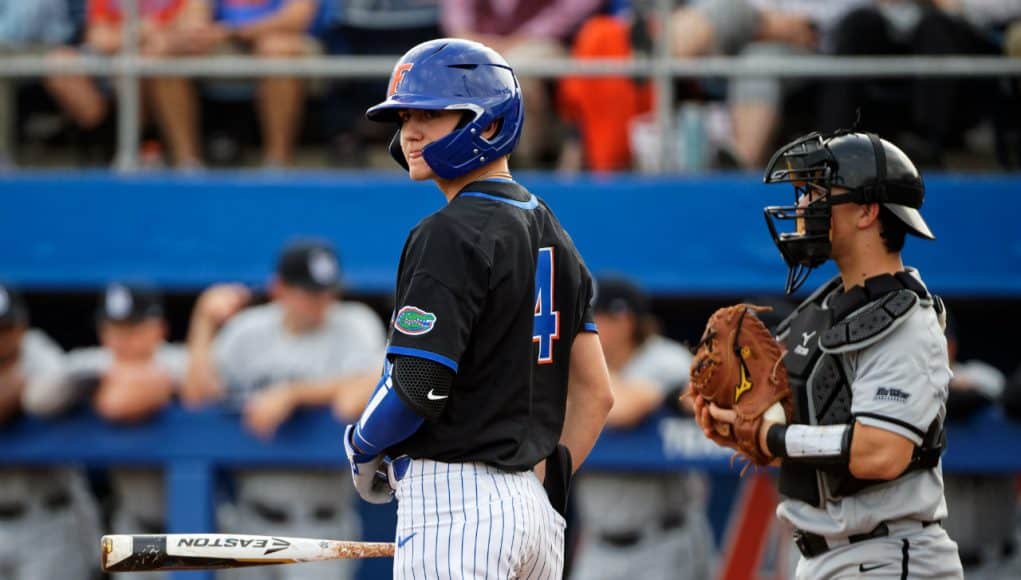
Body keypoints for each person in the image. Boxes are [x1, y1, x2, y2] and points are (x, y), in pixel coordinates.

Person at [343, 38, 614, 579]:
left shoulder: (449, 231)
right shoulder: (555, 232)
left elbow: (417, 382)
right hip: (536, 516)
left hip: (456, 506)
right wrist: (540, 484)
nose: (411, 132)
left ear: (488, 124)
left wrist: (361, 445)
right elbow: (597, 393)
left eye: (432, 114)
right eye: (405, 117)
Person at [694, 129, 963, 577]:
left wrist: (773, 438)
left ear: (867, 211)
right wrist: (739, 422)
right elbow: (816, 434)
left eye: (818, 192)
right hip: (828, 557)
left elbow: (882, 452)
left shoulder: (906, 321)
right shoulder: (826, 306)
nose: (803, 206)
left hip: (888, 556)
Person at [182, 239, 385, 580]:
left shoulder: (354, 323)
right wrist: (203, 320)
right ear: (280, 289)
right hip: (253, 521)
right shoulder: (249, 331)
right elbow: (196, 397)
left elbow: (366, 388)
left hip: (322, 524)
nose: (322, 302)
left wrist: (293, 394)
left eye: (327, 291)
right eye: (309, 292)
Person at [569, 276, 715, 580]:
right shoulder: (585, 368)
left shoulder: (666, 358)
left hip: (662, 541)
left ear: (624, 321)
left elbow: (623, 409)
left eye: (595, 317)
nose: (584, 327)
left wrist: (576, 373)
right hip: (598, 544)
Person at [24, 282, 185, 542]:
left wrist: (133, 385)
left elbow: (118, 404)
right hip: (132, 524)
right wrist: (87, 383)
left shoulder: (178, 359)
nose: (121, 340)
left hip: (193, 525)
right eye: (113, 329)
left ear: (159, 328)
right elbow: (38, 399)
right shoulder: (96, 362)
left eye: (132, 329)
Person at [0, 283, 101, 580]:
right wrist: (13, 390)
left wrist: (25, 391)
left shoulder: (37, 349)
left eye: (6, 328)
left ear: (21, 326)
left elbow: (48, 396)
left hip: (49, 518)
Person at [44, 0, 196, 167]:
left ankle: (186, 162)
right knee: (61, 63)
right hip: (115, 59)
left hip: (170, 58)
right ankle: (105, 150)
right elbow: (99, 39)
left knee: (156, 67)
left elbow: (193, 30)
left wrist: (161, 43)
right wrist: (139, 32)